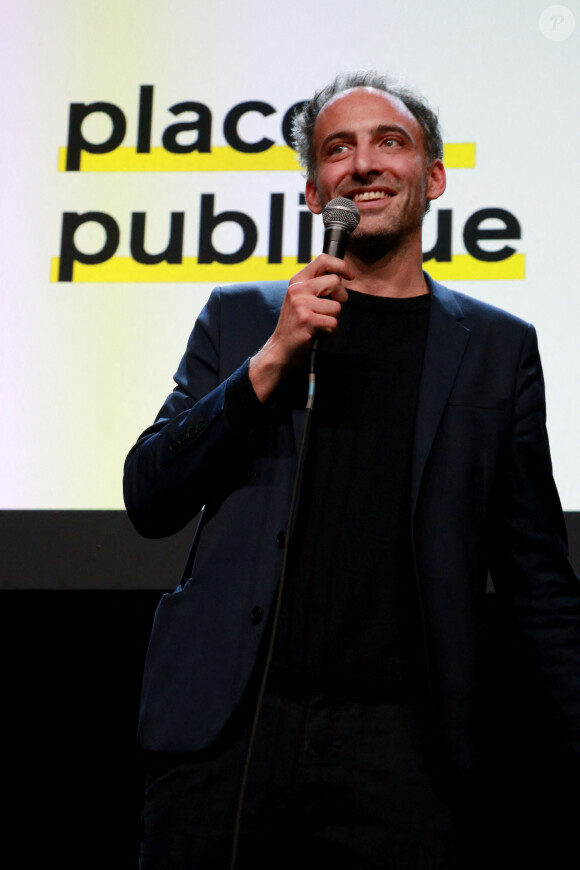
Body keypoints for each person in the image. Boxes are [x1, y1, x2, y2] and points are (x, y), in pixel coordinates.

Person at [124, 70, 580, 869]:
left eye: (389, 142)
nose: (363, 164)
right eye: (339, 149)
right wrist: (268, 363)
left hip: (408, 749)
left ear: (433, 177)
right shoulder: (241, 319)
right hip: (232, 732)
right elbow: (150, 494)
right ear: (313, 194)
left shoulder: (498, 349)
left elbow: (536, 579)